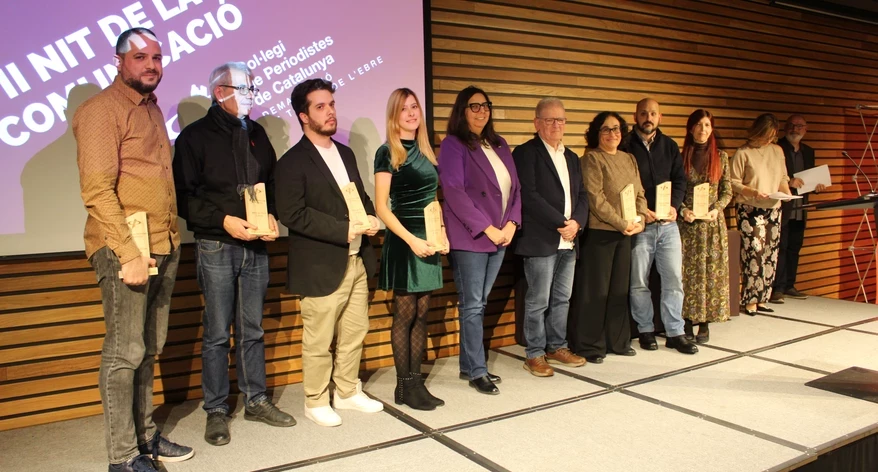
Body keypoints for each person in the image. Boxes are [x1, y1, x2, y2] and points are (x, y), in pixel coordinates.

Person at [74, 28, 193, 471]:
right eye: (140, 57)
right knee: (124, 352)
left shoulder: (152, 109)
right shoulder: (101, 111)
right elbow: (98, 191)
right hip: (124, 249)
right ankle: (122, 457)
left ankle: (145, 437)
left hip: (163, 243)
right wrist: (127, 254)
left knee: (149, 347)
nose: (151, 65)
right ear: (118, 61)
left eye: (157, 57)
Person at [173, 62, 295, 446]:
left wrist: (272, 215)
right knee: (216, 332)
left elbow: (270, 184)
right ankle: (216, 410)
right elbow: (183, 197)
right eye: (240, 88)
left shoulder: (257, 133)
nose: (248, 94)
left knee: (252, 329)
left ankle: (256, 399)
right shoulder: (193, 137)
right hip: (216, 243)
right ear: (217, 91)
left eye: (251, 88)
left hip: (256, 244)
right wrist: (224, 219)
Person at [275, 79, 384, 427]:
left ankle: (348, 392)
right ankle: (315, 400)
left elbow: (358, 196)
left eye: (332, 104)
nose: (330, 111)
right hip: (320, 263)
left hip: (356, 258)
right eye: (320, 106)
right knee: (319, 339)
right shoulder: (292, 161)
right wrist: (342, 229)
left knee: (355, 332)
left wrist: (370, 216)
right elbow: (291, 214)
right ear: (303, 116)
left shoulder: (346, 153)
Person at [438, 86, 521, 395]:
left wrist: (512, 223)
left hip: (501, 235)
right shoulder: (453, 145)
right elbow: (454, 193)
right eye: (474, 106)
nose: (482, 111)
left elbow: (516, 190)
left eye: (486, 105)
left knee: (478, 303)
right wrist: (488, 228)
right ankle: (477, 370)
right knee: (473, 305)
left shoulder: (499, 144)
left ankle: (466, 365)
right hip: (471, 237)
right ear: (462, 110)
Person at [374, 88, 446, 410]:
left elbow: (433, 199)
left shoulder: (427, 152)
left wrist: (441, 233)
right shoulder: (387, 152)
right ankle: (403, 386)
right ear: (394, 115)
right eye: (404, 109)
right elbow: (381, 208)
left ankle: (415, 383)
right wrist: (412, 240)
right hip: (405, 241)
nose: (411, 113)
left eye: (414, 107)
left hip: (428, 240)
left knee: (422, 313)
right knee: (404, 314)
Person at [512, 98, 588, 377]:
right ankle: (534, 353)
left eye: (561, 120)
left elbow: (582, 195)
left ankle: (557, 346)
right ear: (537, 123)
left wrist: (577, 223)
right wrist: (562, 223)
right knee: (538, 300)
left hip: (569, 239)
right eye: (550, 120)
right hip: (541, 237)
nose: (556, 125)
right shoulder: (526, 153)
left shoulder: (571, 157)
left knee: (562, 299)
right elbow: (529, 196)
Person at [621, 98, 698, 355]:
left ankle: (675, 331)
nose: (648, 117)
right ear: (635, 116)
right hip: (641, 225)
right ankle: (645, 330)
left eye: (653, 113)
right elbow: (623, 186)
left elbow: (679, 180)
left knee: (674, 279)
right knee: (639, 281)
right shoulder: (625, 145)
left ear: (660, 117)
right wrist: (642, 211)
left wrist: (675, 205)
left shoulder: (669, 145)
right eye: (643, 113)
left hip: (668, 226)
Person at [568, 112, 646, 364]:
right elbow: (595, 198)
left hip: (626, 233)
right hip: (601, 233)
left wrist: (641, 219)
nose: (613, 134)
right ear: (596, 133)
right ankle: (590, 345)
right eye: (606, 129)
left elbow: (640, 193)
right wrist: (621, 223)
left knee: (618, 290)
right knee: (595, 291)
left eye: (616, 129)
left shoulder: (629, 158)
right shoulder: (591, 159)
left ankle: (618, 341)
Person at [677, 110, 733, 344]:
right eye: (699, 125)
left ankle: (705, 324)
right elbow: (672, 189)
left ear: (712, 129)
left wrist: (716, 208)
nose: (703, 129)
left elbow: (728, 191)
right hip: (688, 226)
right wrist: (682, 209)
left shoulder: (721, 156)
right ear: (690, 129)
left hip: (711, 225)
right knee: (687, 275)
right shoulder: (681, 157)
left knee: (711, 274)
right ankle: (687, 321)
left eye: (707, 125)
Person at [730, 113, 793, 316]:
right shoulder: (743, 152)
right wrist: (753, 191)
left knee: (770, 253)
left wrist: (787, 192)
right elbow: (733, 181)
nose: (768, 139)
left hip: (773, 206)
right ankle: (750, 298)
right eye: (765, 135)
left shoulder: (777, 150)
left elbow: (783, 177)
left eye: (772, 135)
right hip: (750, 207)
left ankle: (763, 297)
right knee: (753, 252)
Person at [770, 114, 825, 303]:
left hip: (801, 207)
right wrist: (789, 181)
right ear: (785, 128)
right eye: (792, 125)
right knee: (781, 247)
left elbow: (809, 179)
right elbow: (771, 176)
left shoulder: (809, 151)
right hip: (783, 205)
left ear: (806, 129)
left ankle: (789, 285)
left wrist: (817, 187)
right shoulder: (777, 148)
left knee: (794, 247)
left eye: (800, 126)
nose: (795, 129)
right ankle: (777, 287)